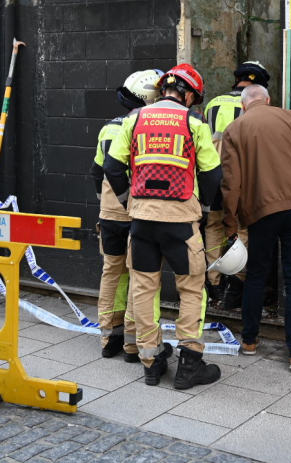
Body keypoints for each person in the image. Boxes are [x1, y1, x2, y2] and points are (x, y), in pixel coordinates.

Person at [104, 63, 223, 390]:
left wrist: (130, 201)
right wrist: (205, 208)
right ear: (187, 95)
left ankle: (152, 361)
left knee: (143, 288)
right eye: (194, 99)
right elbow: (213, 173)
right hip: (181, 223)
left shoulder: (135, 118)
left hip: (142, 222)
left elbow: (112, 166)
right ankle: (189, 363)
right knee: (191, 288)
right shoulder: (193, 121)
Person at [221, 84, 291, 371]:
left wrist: (230, 224)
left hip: (261, 211)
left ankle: (250, 341)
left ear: (244, 105)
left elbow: (231, 184)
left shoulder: (235, 129)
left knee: (256, 275)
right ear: (268, 100)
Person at [91, 69, 162, 361]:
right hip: (138, 212)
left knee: (112, 272)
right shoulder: (148, 127)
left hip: (109, 213)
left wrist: (108, 201)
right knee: (139, 277)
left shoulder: (109, 127)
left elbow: (98, 170)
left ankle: (109, 337)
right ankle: (133, 344)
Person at [203, 61, 270, 311]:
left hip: (213, 177)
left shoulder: (212, 103)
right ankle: (236, 284)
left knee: (213, 226)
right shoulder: (254, 108)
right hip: (240, 180)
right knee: (242, 230)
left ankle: (215, 284)